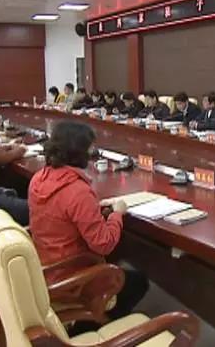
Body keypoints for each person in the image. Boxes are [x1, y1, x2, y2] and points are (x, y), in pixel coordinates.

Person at [28, 121, 148, 322]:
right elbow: (104, 244)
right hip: (72, 276)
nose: (93, 152)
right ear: (80, 152)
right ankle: (95, 323)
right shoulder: (77, 190)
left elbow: (62, 215)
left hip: (45, 265)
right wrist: (117, 214)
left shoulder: (38, 178)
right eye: (90, 147)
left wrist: (95, 210)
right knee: (138, 282)